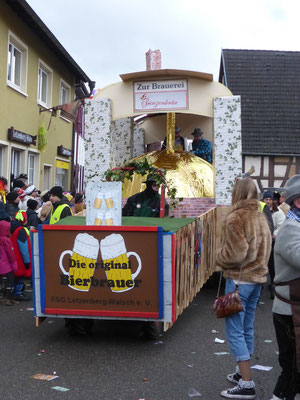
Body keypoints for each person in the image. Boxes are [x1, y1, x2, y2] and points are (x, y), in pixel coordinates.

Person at [216, 177, 271, 399]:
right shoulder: (260, 217)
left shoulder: (236, 217)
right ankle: (242, 373)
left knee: (235, 330)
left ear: (236, 193)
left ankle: (247, 383)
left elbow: (236, 254)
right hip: (256, 280)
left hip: (239, 280)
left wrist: (218, 256)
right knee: (246, 327)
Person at [272, 175, 300, 400]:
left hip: (295, 307)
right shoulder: (291, 228)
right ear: (298, 202)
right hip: (288, 311)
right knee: (291, 367)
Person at [10, 210, 32, 301]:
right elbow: (24, 248)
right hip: (20, 258)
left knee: (15, 277)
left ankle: (14, 292)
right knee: (20, 277)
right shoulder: (21, 231)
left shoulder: (11, 227)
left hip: (13, 256)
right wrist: (27, 261)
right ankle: (18, 293)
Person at [0, 220, 19, 305]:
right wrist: (14, 264)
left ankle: (2, 298)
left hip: (1, 265)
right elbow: (10, 254)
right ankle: (9, 299)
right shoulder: (6, 240)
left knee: (2, 282)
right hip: (6, 265)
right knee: (9, 282)